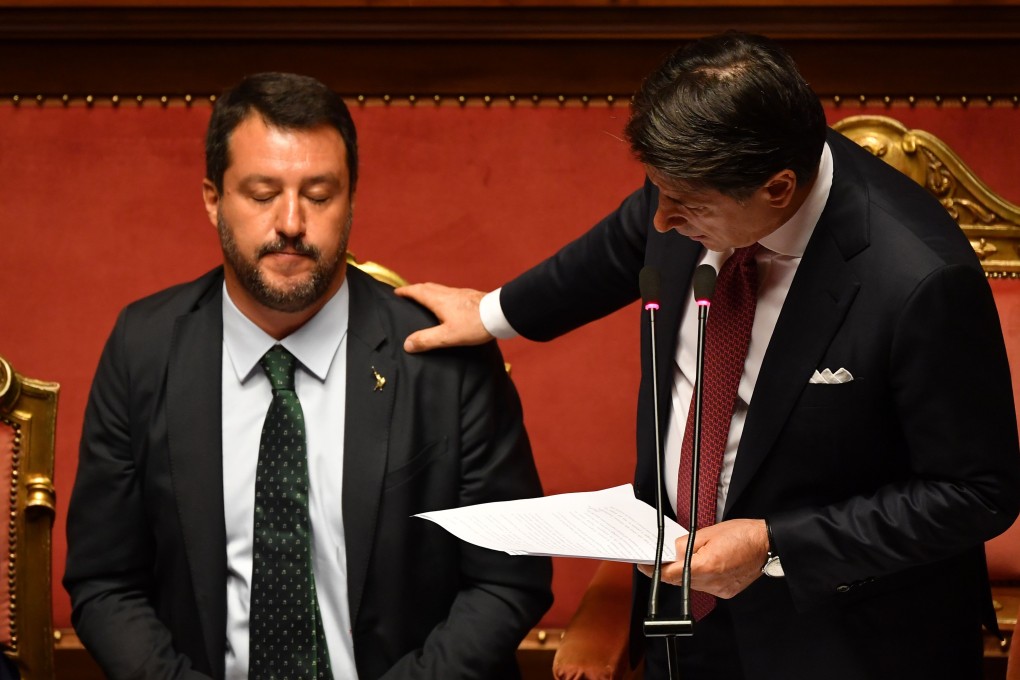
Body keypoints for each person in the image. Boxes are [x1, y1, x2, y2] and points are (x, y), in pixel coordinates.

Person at [396, 31, 1020, 679]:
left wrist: (775, 545)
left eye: (684, 205)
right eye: (655, 191)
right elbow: (621, 242)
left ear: (778, 189)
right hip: (684, 614)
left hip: (848, 636)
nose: (661, 221)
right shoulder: (699, 181)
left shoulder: (918, 279)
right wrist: (494, 314)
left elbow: (975, 493)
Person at [63, 72, 552, 680]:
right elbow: (105, 582)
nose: (291, 222)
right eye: (263, 192)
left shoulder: (442, 354)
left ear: (352, 198)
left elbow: (510, 578)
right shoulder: (143, 346)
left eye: (319, 195)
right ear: (214, 198)